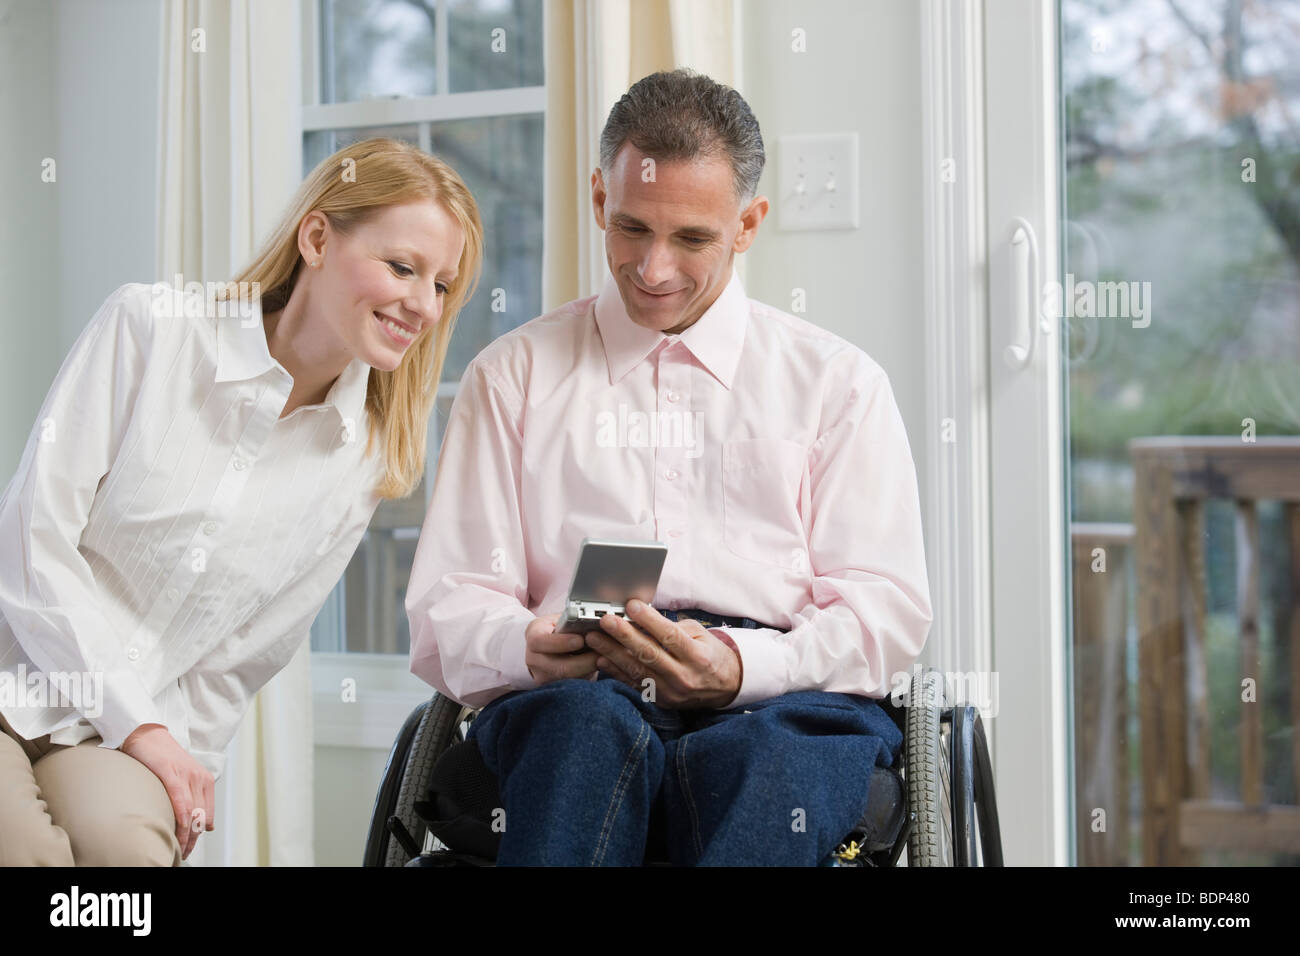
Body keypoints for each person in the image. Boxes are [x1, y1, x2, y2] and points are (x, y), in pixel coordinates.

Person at [405, 69, 932, 866]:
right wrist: (526, 645)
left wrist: (742, 665)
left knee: (765, 766)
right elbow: (448, 607)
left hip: (782, 696)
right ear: (596, 200)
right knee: (582, 736)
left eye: (691, 239)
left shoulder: (836, 384)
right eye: (632, 229)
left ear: (748, 224)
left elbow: (886, 615)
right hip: (577, 693)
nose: (653, 269)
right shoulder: (512, 377)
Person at [0, 137, 482, 865]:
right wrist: (144, 730)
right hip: (18, 676)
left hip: (118, 736)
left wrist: (184, 770)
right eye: (402, 267)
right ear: (317, 237)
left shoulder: (361, 459)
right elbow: (32, 546)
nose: (423, 304)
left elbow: (238, 661)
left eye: (442, 285)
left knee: (127, 858)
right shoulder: (150, 331)